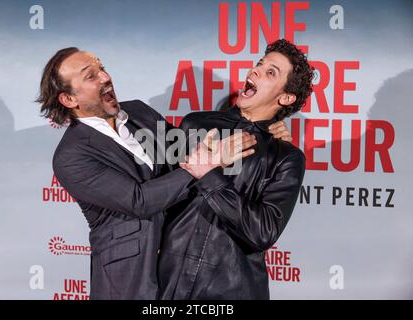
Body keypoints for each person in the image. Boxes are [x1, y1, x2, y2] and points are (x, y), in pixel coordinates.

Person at [37, 48, 287, 299]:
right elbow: (139, 200)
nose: (105, 77)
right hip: (128, 283)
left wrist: (262, 133)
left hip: (177, 275)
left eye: (102, 68)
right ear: (69, 100)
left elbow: (188, 149)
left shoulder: (137, 112)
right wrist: (203, 165)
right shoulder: (71, 157)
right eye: (90, 76)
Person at [158, 39, 314, 300]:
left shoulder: (287, 157)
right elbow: (161, 196)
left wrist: (209, 175)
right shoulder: (194, 123)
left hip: (233, 290)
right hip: (169, 282)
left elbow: (262, 231)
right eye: (259, 64)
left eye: (270, 72)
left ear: (286, 97)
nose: (255, 71)